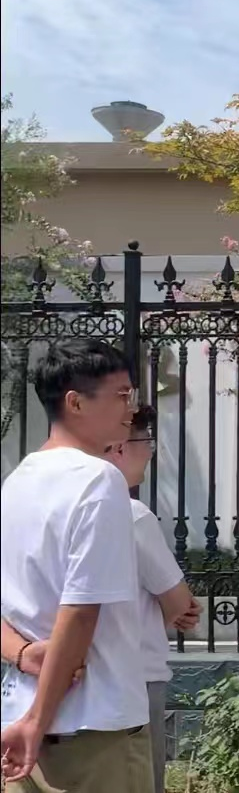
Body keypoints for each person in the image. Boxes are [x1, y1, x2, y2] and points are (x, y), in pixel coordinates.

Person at [0, 405, 200, 793]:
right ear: (119, 446)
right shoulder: (129, 512)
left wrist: (22, 654)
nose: (151, 452)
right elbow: (175, 605)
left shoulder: (18, 488)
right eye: (145, 441)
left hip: (25, 703)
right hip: (113, 696)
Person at [0, 339, 152, 791]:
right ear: (76, 403)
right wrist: (36, 719)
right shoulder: (98, 479)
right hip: (92, 727)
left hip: (19, 724)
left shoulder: (17, 481)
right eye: (121, 395)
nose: (130, 408)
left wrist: (21, 654)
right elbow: (82, 610)